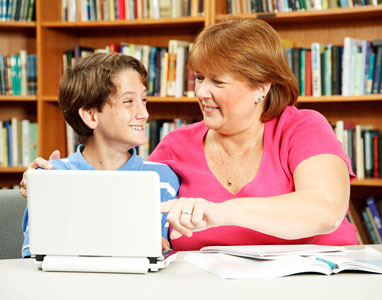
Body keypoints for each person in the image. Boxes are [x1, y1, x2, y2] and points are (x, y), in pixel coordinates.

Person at [21, 17, 357, 251]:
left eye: (218, 82)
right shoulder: (174, 147)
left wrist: (217, 212)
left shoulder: (301, 126)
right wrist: (47, 186)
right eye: (199, 79)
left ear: (262, 87)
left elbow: (325, 210)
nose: (202, 92)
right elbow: (125, 211)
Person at [21, 52, 179, 258]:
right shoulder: (51, 176)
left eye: (144, 100)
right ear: (91, 115)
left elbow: (163, 255)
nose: (144, 113)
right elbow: (35, 255)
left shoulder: (163, 178)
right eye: (129, 101)